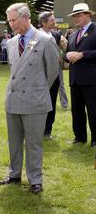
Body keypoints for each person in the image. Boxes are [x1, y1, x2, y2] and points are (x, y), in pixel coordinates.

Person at [0, 3, 59, 194]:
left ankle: (35, 180)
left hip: (35, 102)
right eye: (9, 21)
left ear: (26, 18)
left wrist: (37, 90)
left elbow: (52, 72)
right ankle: (14, 174)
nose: (11, 24)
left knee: (33, 143)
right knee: (14, 141)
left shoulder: (45, 40)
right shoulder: (11, 42)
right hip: (13, 100)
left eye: (13, 20)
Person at [64, 3, 96, 148]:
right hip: (75, 78)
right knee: (77, 111)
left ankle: (95, 140)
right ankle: (79, 137)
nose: (76, 18)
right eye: (74, 16)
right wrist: (67, 55)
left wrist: (83, 54)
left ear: (88, 15)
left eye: (79, 15)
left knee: (93, 110)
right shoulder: (73, 34)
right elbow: (67, 54)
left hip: (91, 79)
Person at [38, 11, 67, 139]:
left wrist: (64, 45)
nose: (55, 23)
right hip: (39, 75)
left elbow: (64, 48)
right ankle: (36, 129)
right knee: (39, 104)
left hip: (54, 74)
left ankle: (47, 131)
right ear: (43, 22)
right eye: (52, 20)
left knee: (51, 103)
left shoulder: (56, 35)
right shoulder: (36, 35)